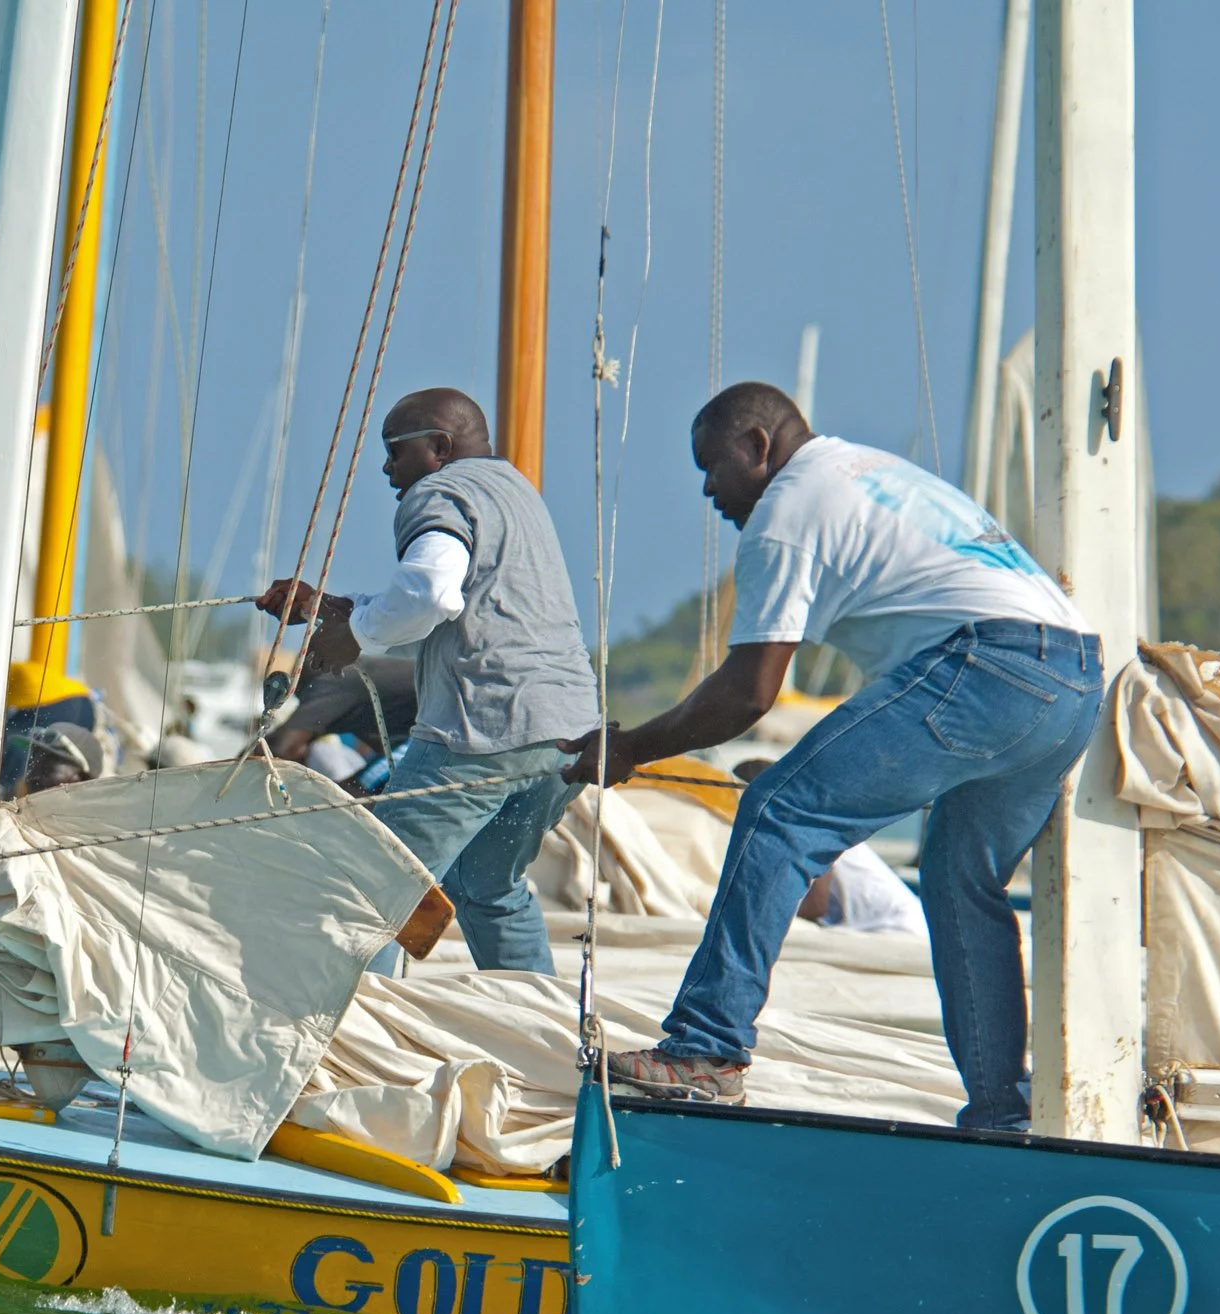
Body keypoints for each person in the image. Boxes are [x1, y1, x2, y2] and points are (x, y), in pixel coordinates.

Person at [564, 383, 1100, 1129]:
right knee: (957, 884)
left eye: (710, 466)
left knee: (779, 812)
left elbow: (748, 696)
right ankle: (1001, 1115)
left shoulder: (787, 509)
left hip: (991, 664)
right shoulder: (860, 471)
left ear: (757, 445)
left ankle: (706, 1050)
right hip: (1072, 679)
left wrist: (629, 749)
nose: (707, 490)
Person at [258, 387, 598, 974]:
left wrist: (356, 635)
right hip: (566, 735)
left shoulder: (440, 491)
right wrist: (332, 608)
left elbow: (430, 591)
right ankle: (535, 1040)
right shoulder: (515, 492)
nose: (387, 468)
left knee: (378, 887)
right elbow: (466, 601)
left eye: (394, 452)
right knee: (487, 886)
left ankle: (362, 1047)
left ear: (438, 447)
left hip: (482, 730)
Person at [731, 756, 927, 939]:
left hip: (895, 932)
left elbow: (815, 906)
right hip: (880, 927)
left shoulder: (808, 827)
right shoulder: (809, 821)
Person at [272, 655, 416, 764]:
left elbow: (284, 749)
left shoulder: (328, 681)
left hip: (430, 734)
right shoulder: (355, 674)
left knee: (354, 791)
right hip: (426, 733)